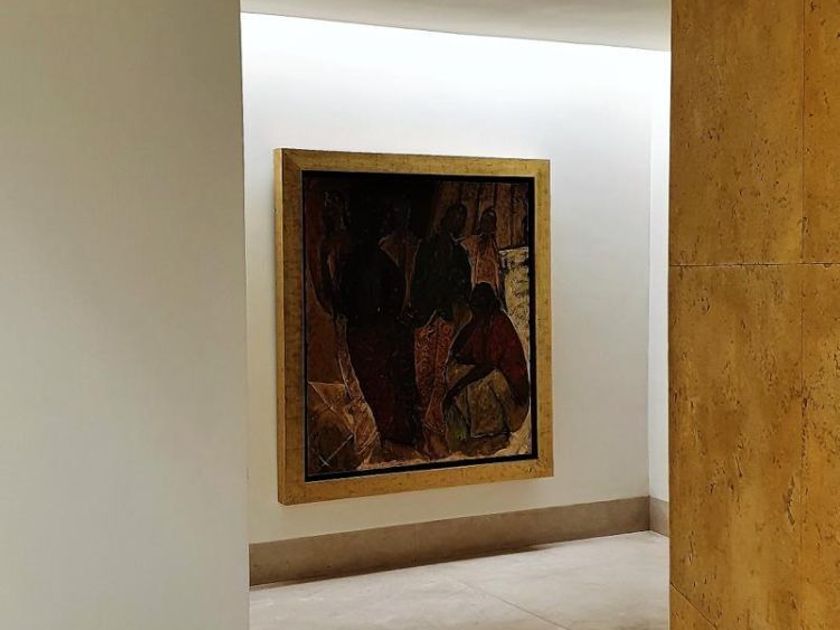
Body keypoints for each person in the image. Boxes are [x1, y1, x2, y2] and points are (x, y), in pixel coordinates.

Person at [409, 203, 472, 457]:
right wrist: (420, 311)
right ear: (445, 218)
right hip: (425, 318)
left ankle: (433, 433)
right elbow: (416, 282)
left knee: (440, 374)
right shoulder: (426, 247)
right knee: (422, 374)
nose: (457, 222)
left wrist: (454, 305)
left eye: (461, 219)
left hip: (446, 318)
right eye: (455, 216)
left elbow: (465, 289)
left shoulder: (460, 255)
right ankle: (425, 435)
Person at [443, 283, 530, 454]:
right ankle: (476, 434)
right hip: (500, 386)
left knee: (482, 383)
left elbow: (488, 365)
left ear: (488, 305)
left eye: (477, 306)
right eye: (473, 307)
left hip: (514, 401)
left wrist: (456, 388)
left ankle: (492, 436)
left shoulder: (499, 323)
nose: (474, 311)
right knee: (459, 373)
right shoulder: (482, 322)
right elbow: (459, 350)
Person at [461, 206, 502, 297]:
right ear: (480, 223)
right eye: (485, 221)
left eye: (490, 221)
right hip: (473, 291)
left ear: (494, 226)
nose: (487, 224)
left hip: (491, 293)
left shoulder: (495, 250)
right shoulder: (469, 242)